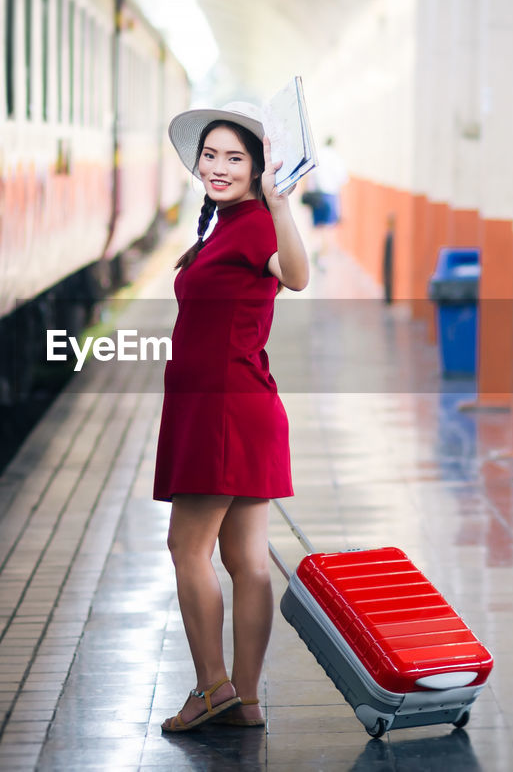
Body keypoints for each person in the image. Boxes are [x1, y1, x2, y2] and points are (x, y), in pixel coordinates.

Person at [154, 101, 309, 733]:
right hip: (236, 405)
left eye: (234, 158)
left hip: (221, 409)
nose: (218, 167)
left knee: (186, 548)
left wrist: (280, 203)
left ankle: (211, 687)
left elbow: (296, 277)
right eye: (210, 155)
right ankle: (244, 701)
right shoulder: (221, 224)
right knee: (246, 558)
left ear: (258, 168)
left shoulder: (255, 223)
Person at [302, 136, 348, 268]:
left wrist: (306, 191)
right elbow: (342, 180)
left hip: (318, 194)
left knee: (317, 225)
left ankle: (315, 248)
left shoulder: (320, 155)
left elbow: (310, 174)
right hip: (331, 195)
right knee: (328, 228)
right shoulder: (337, 158)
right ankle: (323, 257)